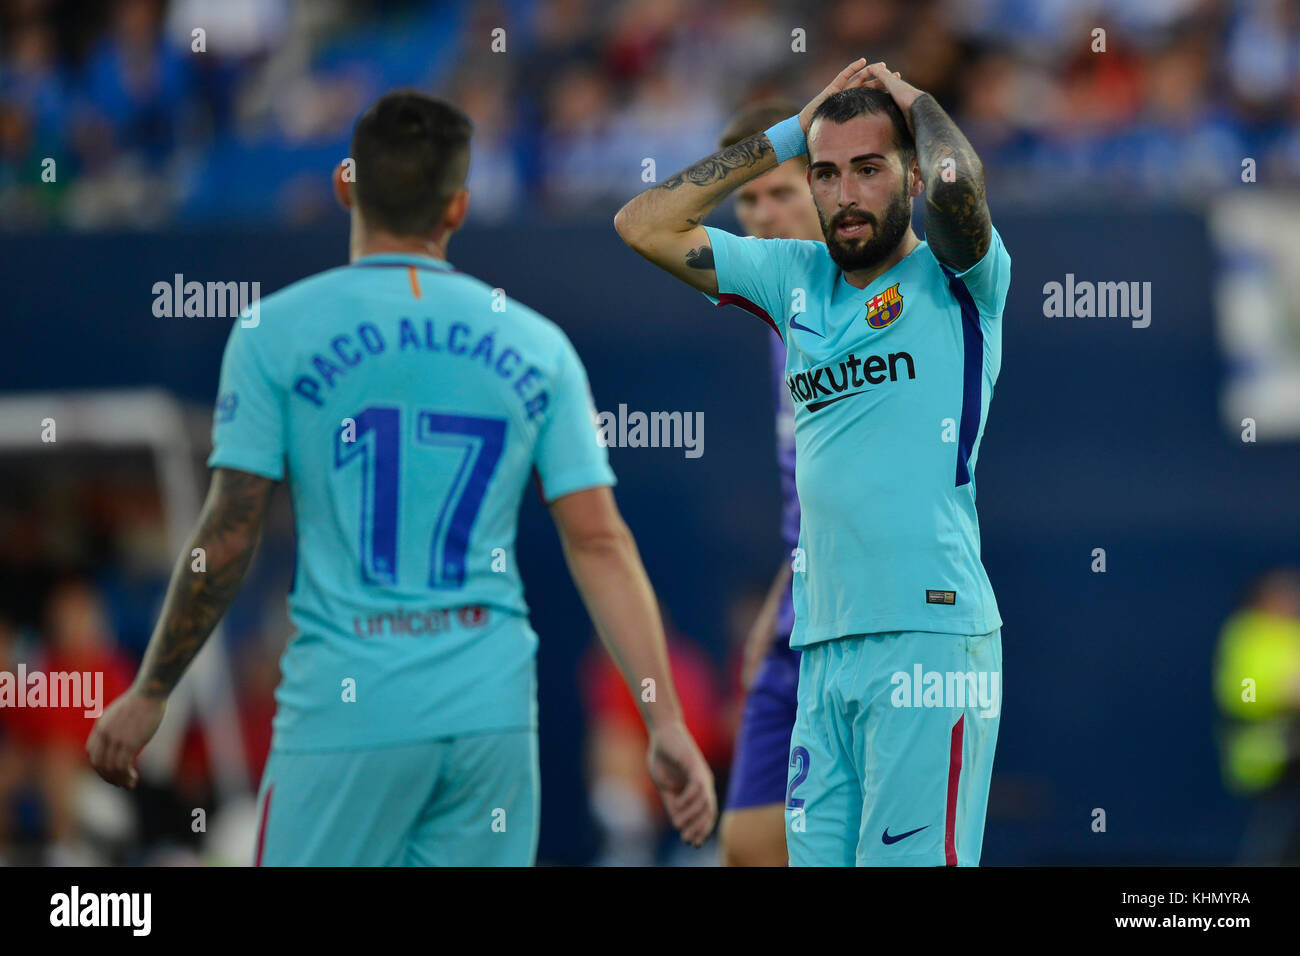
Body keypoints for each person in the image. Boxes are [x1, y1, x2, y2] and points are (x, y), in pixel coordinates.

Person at [88, 89, 716, 866]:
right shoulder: (539, 345)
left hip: (348, 712)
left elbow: (229, 531)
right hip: (488, 716)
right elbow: (600, 542)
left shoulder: (273, 331)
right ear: (459, 207)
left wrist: (152, 692)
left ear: (345, 184)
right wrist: (665, 721)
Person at [615, 60, 1010, 866]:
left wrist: (914, 101)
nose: (844, 192)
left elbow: (955, 178)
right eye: (825, 174)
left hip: (927, 638)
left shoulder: (959, 280)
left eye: (869, 169)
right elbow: (644, 223)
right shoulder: (792, 278)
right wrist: (793, 131)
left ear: (904, 171)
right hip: (823, 648)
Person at [711, 101, 821, 868]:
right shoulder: (779, 311)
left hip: (865, 622)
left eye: (781, 189)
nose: (762, 214)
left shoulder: (878, 301)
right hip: (794, 613)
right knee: (749, 847)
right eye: (747, 199)